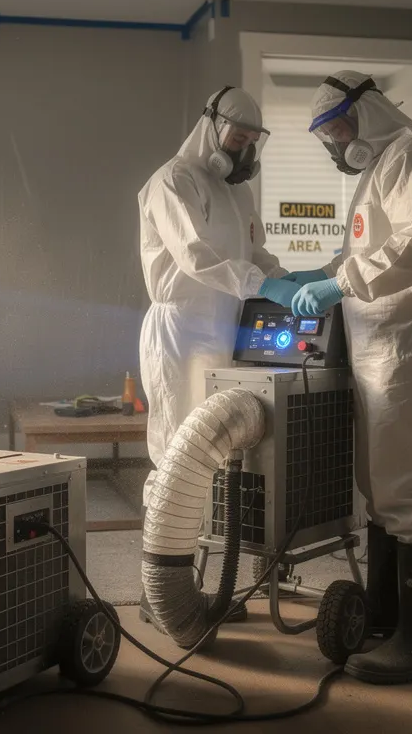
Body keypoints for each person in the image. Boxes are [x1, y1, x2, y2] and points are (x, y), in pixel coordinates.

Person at [282, 71, 412, 684]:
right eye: (325, 138)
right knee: (382, 486)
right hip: (381, 343)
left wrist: (339, 283)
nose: (334, 145)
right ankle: (391, 617)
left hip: (411, 341)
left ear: (363, 111)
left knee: (411, 487)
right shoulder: (384, 164)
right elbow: (371, 249)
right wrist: (324, 271)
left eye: (335, 130)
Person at [137, 86, 299, 627]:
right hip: (181, 330)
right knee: (175, 458)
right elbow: (193, 255)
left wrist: (295, 280)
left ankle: (199, 586)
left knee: (220, 459)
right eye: (237, 137)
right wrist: (259, 282)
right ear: (211, 127)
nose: (244, 150)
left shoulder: (237, 193)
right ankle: (157, 593)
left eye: (253, 141)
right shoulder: (174, 180)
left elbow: (256, 254)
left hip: (228, 333)